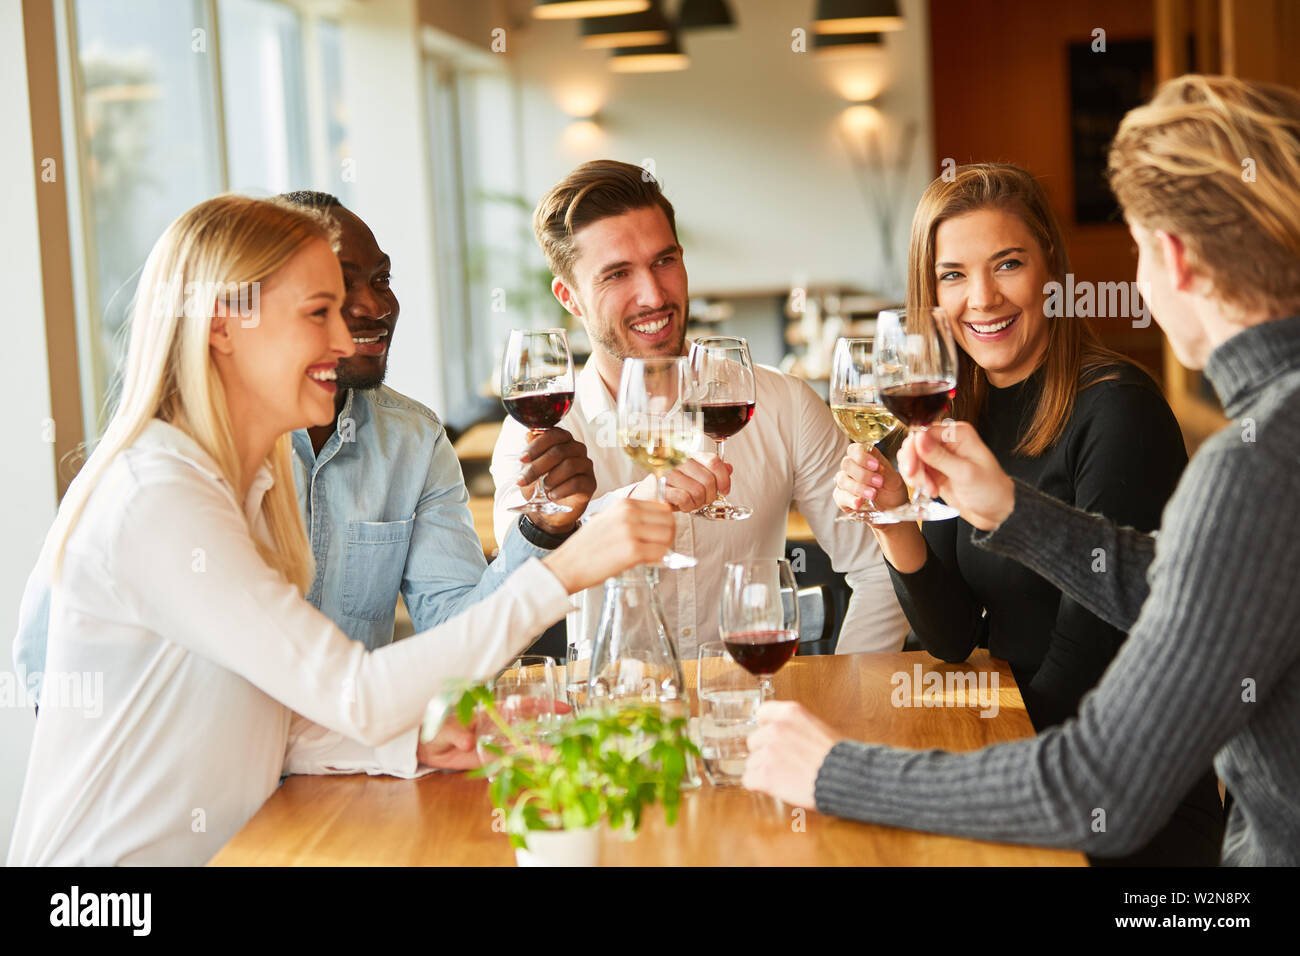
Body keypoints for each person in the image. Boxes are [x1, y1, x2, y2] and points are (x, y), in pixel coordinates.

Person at [6, 195, 671, 865]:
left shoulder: (244, 485)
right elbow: (356, 691)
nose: (343, 337)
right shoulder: (158, 496)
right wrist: (568, 568)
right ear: (223, 326)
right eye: (316, 313)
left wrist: (402, 745)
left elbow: (264, 717)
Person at [742, 74, 1300, 866]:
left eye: (1137, 250)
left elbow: (1096, 783)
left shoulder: (1253, 463)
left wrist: (837, 771)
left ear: (1171, 258)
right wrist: (1007, 512)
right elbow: (1173, 582)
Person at [832, 164, 1223, 864]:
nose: (981, 298)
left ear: (1051, 269)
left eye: (1007, 263)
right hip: (1026, 753)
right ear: (930, 295)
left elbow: (1087, 661)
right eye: (952, 275)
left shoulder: (1116, 407)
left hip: (1120, 800)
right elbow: (951, 637)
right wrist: (894, 519)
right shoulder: (959, 410)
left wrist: (962, 770)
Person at [491, 160, 908, 658]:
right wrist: (632, 507)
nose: (653, 295)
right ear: (571, 299)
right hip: (618, 724)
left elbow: (880, 570)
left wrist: (848, 706)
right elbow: (512, 602)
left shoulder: (785, 406)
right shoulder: (540, 435)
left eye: (664, 261)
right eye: (617, 274)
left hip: (759, 710)